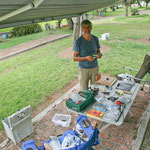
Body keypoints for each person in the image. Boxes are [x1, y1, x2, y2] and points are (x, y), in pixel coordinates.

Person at [73, 19, 102, 91]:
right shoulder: (78, 41)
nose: (87, 29)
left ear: (91, 28)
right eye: (84, 28)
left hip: (94, 68)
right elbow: (74, 58)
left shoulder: (95, 39)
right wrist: (86, 58)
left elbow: (99, 52)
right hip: (83, 70)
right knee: (84, 90)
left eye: (88, 27)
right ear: (82, 29)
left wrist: (99, 55)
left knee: (95, 89)